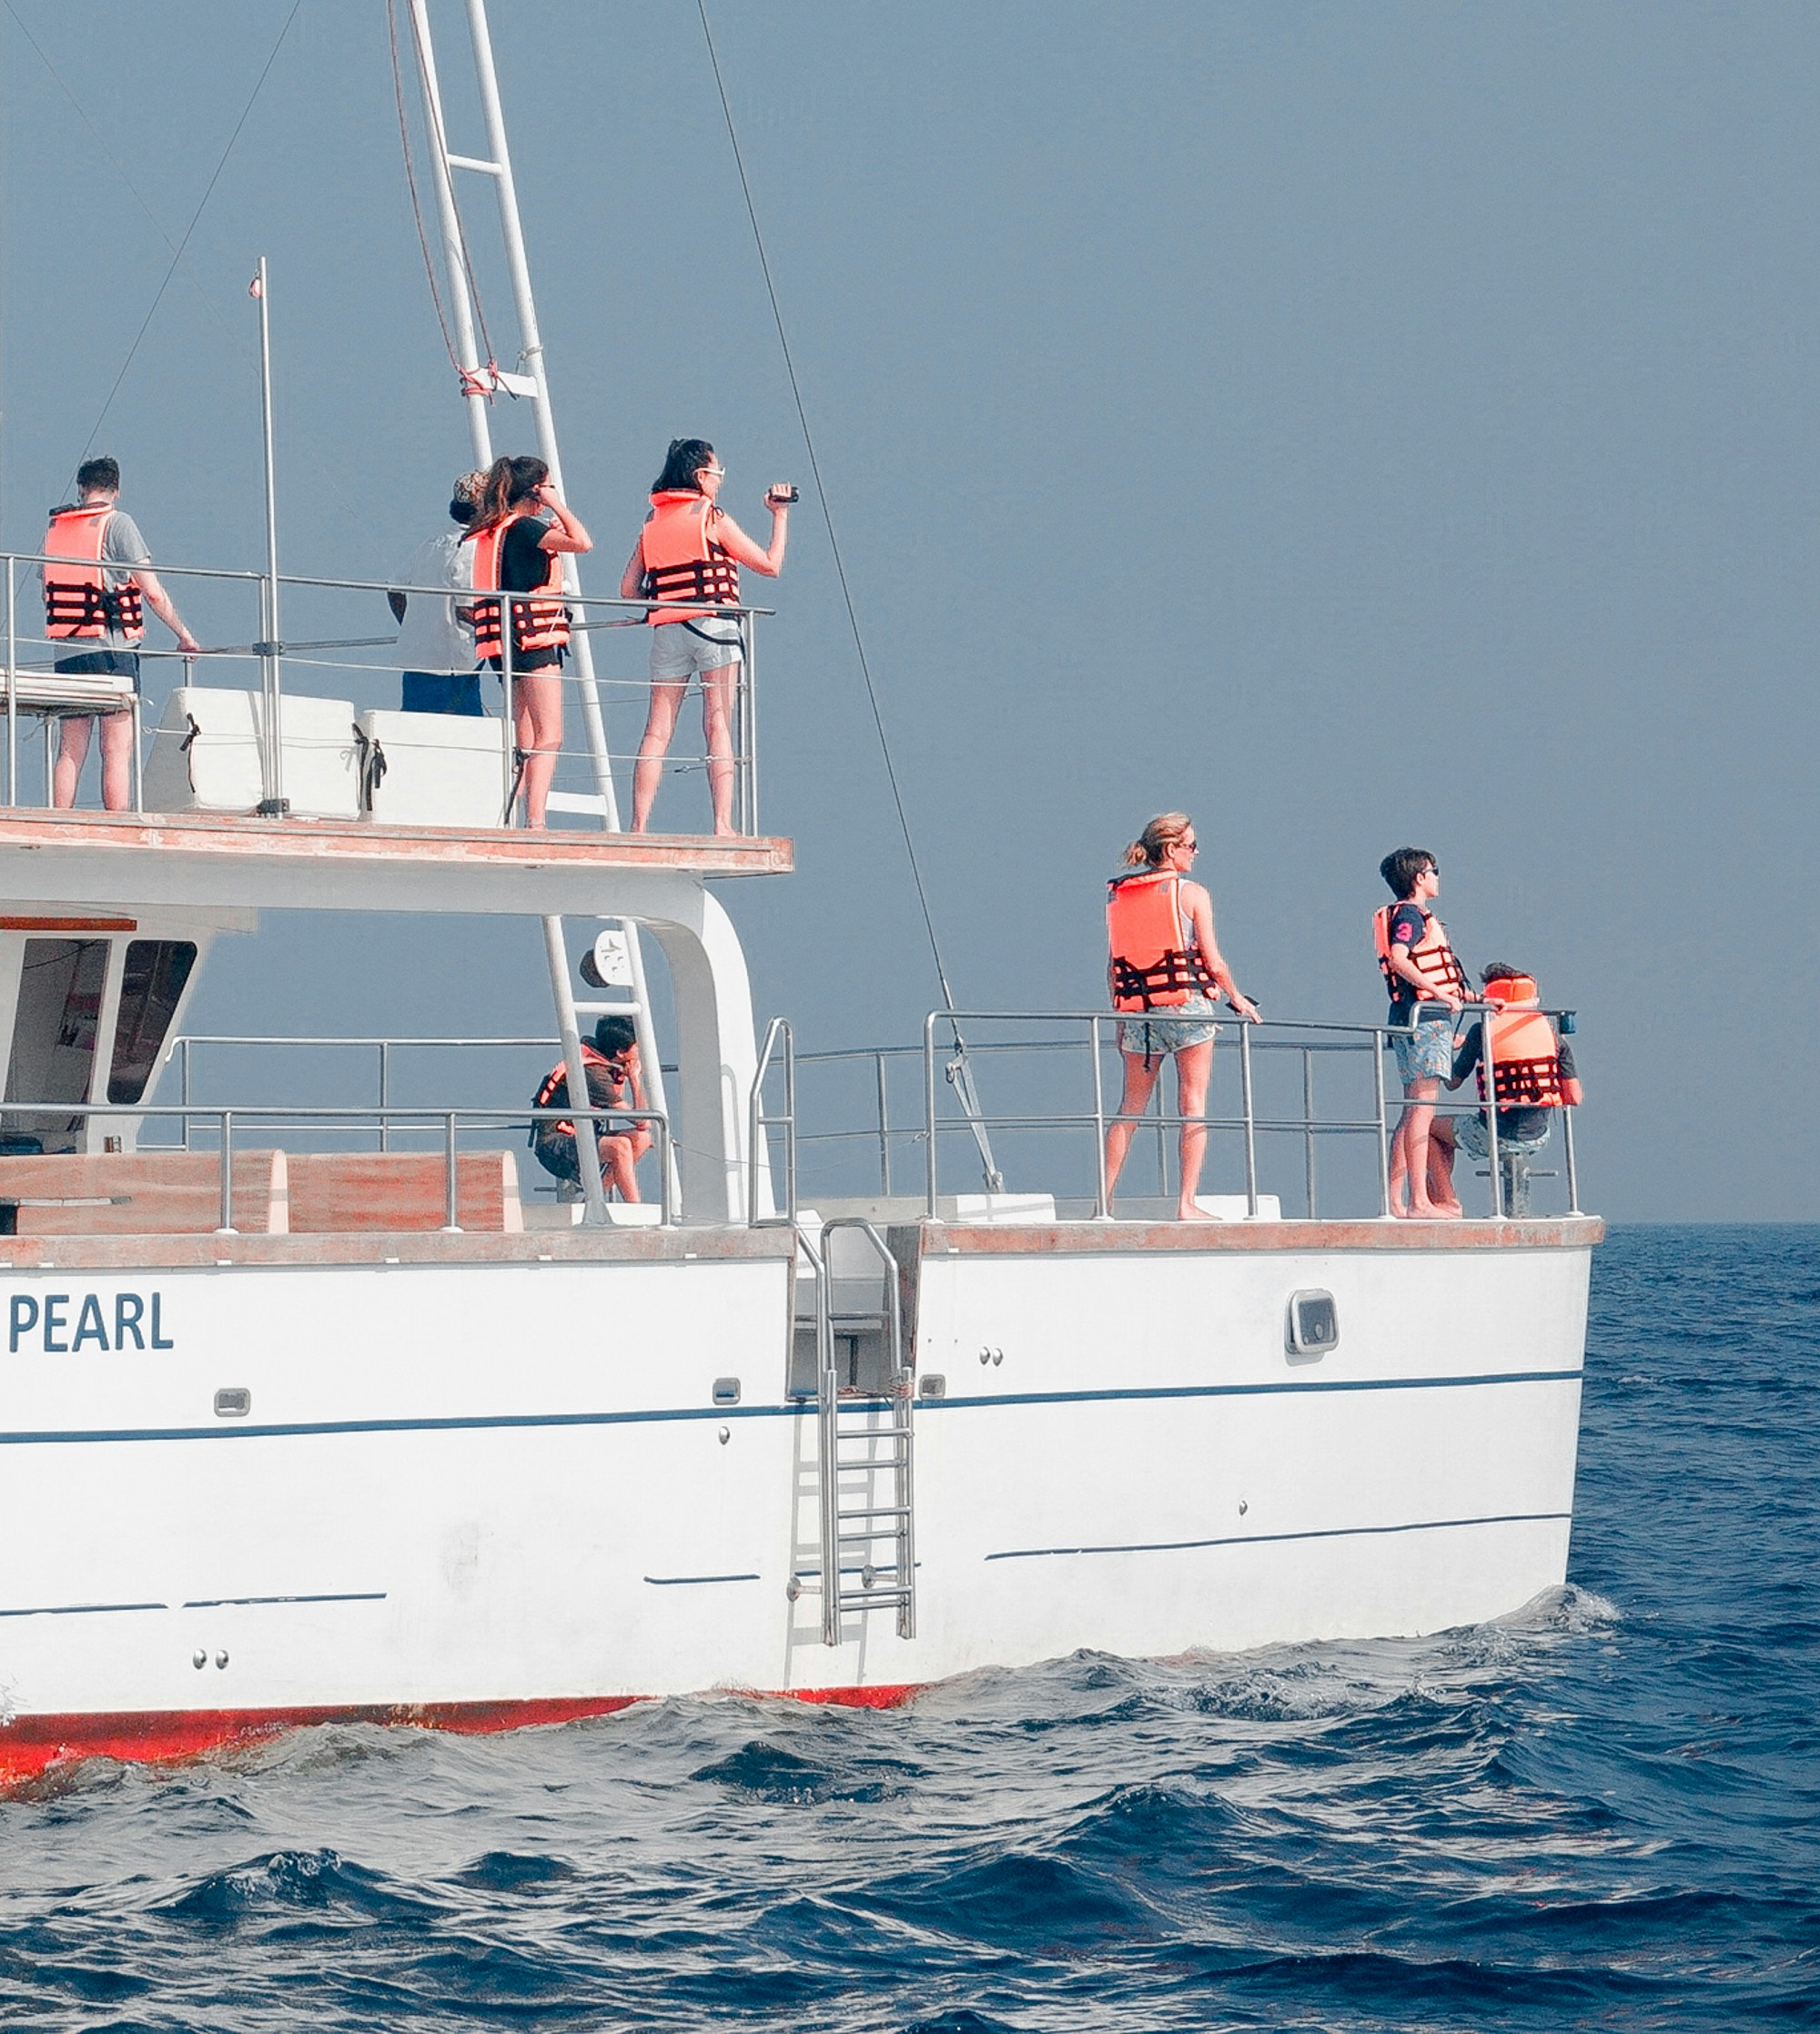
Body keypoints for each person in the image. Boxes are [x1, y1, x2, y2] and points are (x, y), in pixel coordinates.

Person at [621, 439, 792, 836]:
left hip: (668, 630)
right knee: (717, 723)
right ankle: (722, 824)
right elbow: (769, 565)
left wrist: (666, 597)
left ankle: (638, 825)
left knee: (656, 729)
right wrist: (779, 516)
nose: (720, 480)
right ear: (701, 476)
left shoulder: (652, 521)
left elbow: (628, 590)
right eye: (719, 473)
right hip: (714, 629)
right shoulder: (711, 517)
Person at [1102, 812, 1259, 1220]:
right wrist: (1239, 1000)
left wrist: (1121, 1017)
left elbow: (1114, 966)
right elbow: (1214, 961)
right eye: (1190, 845)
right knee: (1193, 1104)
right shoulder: (1192, 894)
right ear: (1171, 850)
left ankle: (1104, 1201)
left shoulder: (1122, 896)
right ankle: (1187, 1203)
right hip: (1187, 1009)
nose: (1196, 852)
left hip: (1140, 1015)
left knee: (1129, 1109)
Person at [42, 457, 199, 811]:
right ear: (117, 490)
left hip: (68, 654)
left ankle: (58, 818)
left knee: (70, 748)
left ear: (81, 490)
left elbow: (47, 590)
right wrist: (183, 634)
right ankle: (117, 822)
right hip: (112, 653)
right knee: (116, 748)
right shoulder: (119, 523)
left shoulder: (57, 528)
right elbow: (152, 591)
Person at [464, 455, 592, 828]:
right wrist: (555, 503)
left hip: (503, 644)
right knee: (549, 734)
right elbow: (582, 542)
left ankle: (504, 813)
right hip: (534, 641)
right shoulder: (523, 529)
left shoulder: (494, 530)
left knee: (524, 735)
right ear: (537, 489)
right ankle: (535, 819)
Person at [1433, 963, 1582, 1215]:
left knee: (1427, 1127)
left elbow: (1452, 1083)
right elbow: (1575, 1097)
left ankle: (1446, 1201)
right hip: (1538, 1136)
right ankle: (1443, 1200)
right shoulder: (1551, 1034)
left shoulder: (1481, 1030)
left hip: (1494, 1135)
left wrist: (1453, 1049)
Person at [1373, 847, 1470, 1219]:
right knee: (1422, 1112)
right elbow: (1399, 957)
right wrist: (1444, 994)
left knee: (1412, 1110)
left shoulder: (1407, 915)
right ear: (1419, 878)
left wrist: (1473, 997)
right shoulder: (1411, 915)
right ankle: (1419, 1201)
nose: (1437, 877)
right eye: (1435, 871)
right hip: (1423, 1021)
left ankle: (1397, 1201)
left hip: (1411, 1016)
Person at [389, 471, 486, 715]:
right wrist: (506, 628)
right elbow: (466, 609)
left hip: (418, 657)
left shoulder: (432, 544)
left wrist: (414, 623)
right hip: (453, 663)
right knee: (461, 735)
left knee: (417, 730)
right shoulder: (471, 549)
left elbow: (395, 588)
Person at [529, 1016, 653, 1200]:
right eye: (637, 1046)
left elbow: (643, 1128)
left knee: (641, 1139)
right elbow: (642, 1120)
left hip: (580, 1137)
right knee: (620, 1147)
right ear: (620, 1052)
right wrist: (635, 1079)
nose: (640, 1052)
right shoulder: (593, 1074)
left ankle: (592, 1199)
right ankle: (636, 1209)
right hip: (554, 1146)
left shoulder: (603, 1059)